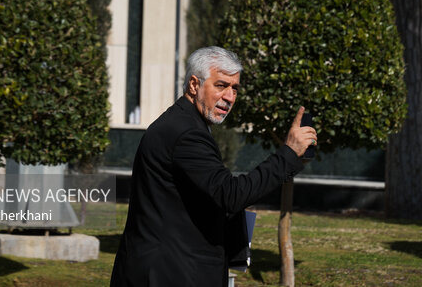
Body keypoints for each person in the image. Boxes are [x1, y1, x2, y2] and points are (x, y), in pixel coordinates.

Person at [110, 46, 317, 287]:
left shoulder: (185, 124)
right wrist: (289, 154)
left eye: (235, 88)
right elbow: (230, 194)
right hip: (169, 274)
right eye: (221, 85)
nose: (229, 97)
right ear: (194, 85)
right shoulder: (185, 133)